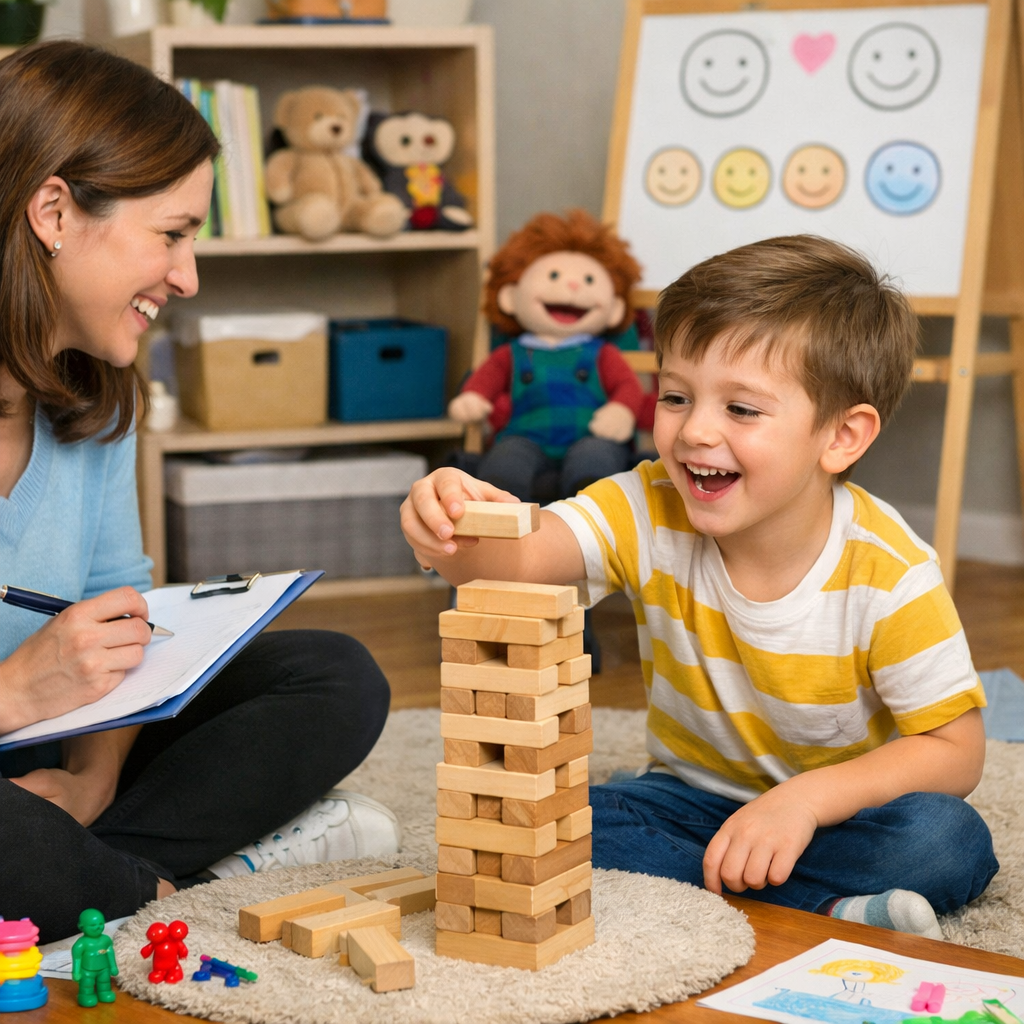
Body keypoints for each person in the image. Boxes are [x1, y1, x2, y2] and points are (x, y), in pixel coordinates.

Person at [402, 234, 998, 939]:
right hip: (688, 799)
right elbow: (524, 557)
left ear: (841, 437)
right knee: (530, 821)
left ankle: (763, 887)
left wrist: (802, 803)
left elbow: (955, 751)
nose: (693, 432)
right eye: (677, 396)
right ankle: (819, 909)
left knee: (946, 840)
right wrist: (453, 524)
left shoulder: (889, 570)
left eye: (741, 409)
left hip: (839, 814)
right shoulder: (647, 504)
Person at [0, 40, 398, 944]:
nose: (187, 278)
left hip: (51, 749)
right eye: (172, 234)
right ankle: (159, 889)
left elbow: (120, 610)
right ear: (54, 211)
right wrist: (15, 693)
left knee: (332, 676)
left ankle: (97, 879)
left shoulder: (98, 393)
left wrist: (93, 780)